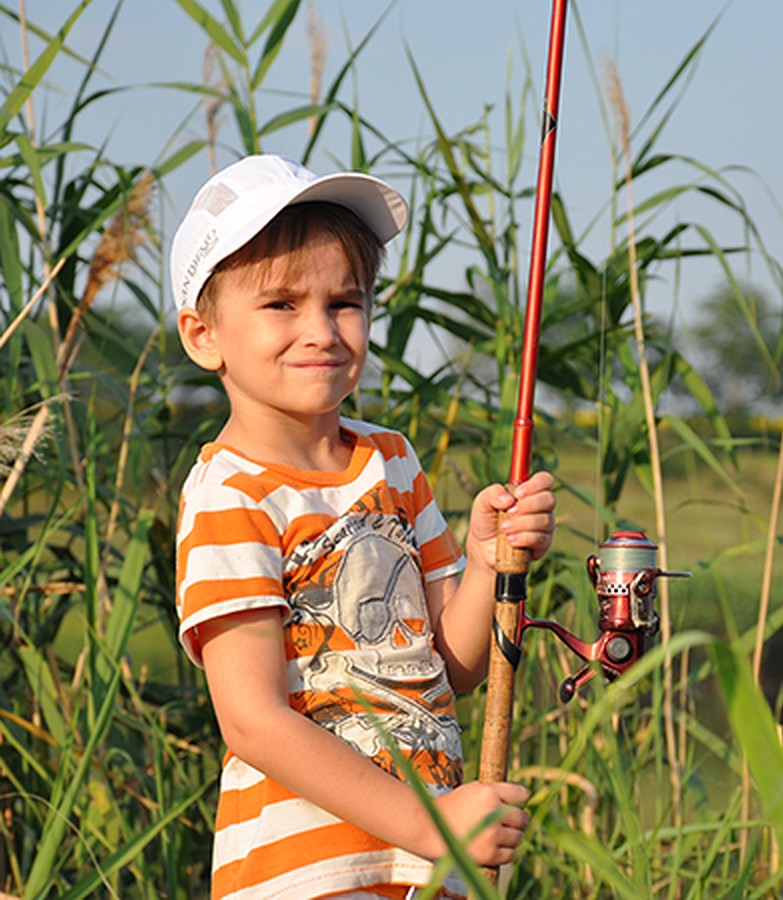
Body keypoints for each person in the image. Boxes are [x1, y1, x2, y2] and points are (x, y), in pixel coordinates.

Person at [170, 153, 555, 899]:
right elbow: (251, 720)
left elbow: (455, 664)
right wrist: (431, 823)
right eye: (281, 304)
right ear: (203, 335)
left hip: (423, 867)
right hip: (305, 874)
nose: (321, 330)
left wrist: (485, 562)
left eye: (345, 302)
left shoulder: (392, 461)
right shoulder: (230, 494)